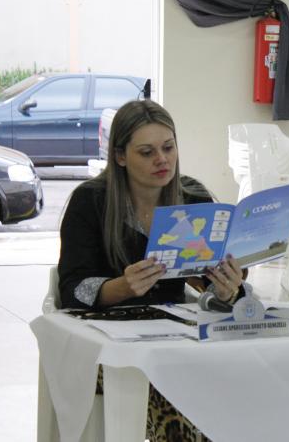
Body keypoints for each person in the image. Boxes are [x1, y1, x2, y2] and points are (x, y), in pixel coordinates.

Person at [58, 99, 244, 442]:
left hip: (178, 343)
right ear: (120, 156)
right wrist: (121, 287)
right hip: (107, 347)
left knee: (244, 384)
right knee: (181, 400)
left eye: (168, 148)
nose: (162, 160)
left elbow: (210, 289)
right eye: (147, 152)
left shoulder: (192, 198)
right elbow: (72, 288)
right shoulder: (90, 202)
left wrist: (226, 289)